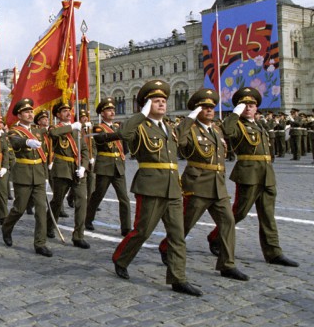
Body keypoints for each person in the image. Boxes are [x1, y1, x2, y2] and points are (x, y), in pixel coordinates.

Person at [112, 80, 202, 296]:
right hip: (151, 187)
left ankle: (178, 278)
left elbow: (182, 137)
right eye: (155, 101)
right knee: (143, 230)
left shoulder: (169, 129)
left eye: (163, 101)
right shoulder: (140, 127)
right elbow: (123, 134)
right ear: (145, 105)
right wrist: (140, 115)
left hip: (172, 188)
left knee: (177, 235)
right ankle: (121, 258)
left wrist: (193, 116)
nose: (161, 104)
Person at [158, 88, 248, 281]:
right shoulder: (190, 129)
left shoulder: (215, 130)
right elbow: (177, 141)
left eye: (211, 108)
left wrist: (235, 113)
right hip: (197, 184)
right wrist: (188, 120)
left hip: (218, 185)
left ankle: (227, 264)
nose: (209, 110)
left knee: (228, 222)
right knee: (185, 224)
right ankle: (166, 246)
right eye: (204, 107)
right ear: (197, 110)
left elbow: (230, 130)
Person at [207, 87, 299, 267]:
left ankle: (273, 252)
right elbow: (225, 131)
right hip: (248, 174)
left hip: (266, 174)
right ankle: (215, 236)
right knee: (239, 212)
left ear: (256, 107)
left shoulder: (260, 125)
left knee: (268, 215)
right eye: (244, 104)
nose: (248, 107)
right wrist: (235, 113)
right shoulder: (237, 125)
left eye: (252, 104)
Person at [1, 98, 52, 257]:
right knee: (19, 209)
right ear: (19, 115)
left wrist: (45, 176)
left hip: (38, 173)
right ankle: (6, 228)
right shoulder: (14, 130)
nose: (30, 114)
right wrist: (27, 142)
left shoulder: (37, 131)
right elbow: (14, 141)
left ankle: (40, 243)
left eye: (31, 111)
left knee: (41, 210)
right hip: (23, 174)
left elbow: (43, 154)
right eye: (26, 112)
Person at [85, 97, 132, 237]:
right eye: (108, 110)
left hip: (118, 166)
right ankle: (88, 219)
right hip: (105, 166)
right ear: (102, 113)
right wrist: (120, 134)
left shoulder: (117, 127)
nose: (112, 112)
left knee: (124, 198)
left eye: (112, 109)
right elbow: (101, 138)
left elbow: (125, 146)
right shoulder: (98, 127)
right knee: (98, 195)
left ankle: (126, 227)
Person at [46, 101, 90, 249]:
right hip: (62, 169)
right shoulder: (57, 128)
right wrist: (71, 126)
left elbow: (84, 151)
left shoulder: (78, 131)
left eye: (69, 110)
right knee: (58, 201)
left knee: (82, 200)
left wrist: (84, 167)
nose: (67, 113)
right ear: (58, 114)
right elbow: (52, 134)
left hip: (77, 170)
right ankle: (49, 225)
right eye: (63, 111)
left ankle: (78, 236)